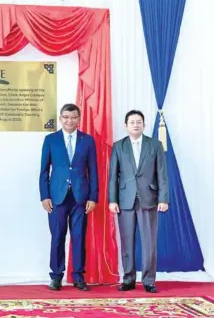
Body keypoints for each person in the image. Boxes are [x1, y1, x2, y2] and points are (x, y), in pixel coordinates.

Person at [39, 103, 98, 292]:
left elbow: (94, 172)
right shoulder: (51, 140)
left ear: (79, 119)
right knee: (57, 236)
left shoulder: (87, 141)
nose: (69, 120)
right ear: (60, 118)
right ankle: (56, 276)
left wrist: (93, 197)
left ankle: (78, 276)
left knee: (79, 237)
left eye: (73, 117)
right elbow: (43, 171)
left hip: (81, 198)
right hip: (56, 197)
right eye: (65, 117)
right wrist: (44, 195)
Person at [108, 110, 168, 293]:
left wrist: (163, 198)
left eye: (139, 121)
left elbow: (162, 174)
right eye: (132, 122)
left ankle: (149, 280)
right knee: (127, 242)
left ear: (144, 125)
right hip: (125, 200)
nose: (135, 124)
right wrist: (112, 200)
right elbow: (113, 177)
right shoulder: (119, 146)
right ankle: (128, 278)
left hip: (148, 198)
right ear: (126, 125)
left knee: (149, 242)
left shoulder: (155, 145)